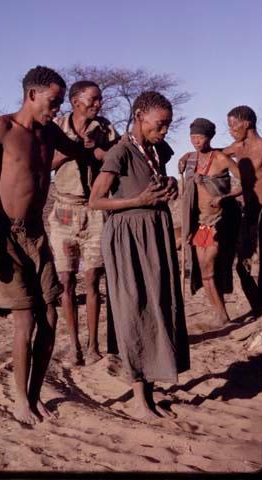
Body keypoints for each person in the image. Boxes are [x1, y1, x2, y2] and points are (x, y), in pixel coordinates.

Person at [0, 65, 101, 425]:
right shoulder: (3, 128)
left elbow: (80, 149)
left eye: (59, 104)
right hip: (4, 234)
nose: (56, 110)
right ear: (32, 95)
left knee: (50, 317)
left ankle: (36, 394)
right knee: (25, 321)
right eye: (53, 102)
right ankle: (20, 400)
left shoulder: (49, 132)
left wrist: (94, 141)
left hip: (37, 234)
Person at [89, 91, 189, 420]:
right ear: (139, 117)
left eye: (167, 126)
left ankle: (149, 391)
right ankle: (137, 398)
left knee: (158, 305)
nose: (163, 131)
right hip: (128, 238)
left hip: (155, 235)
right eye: (159, 125)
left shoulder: (157, 150)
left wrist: (170, 182)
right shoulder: (120, 152)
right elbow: (96, 201)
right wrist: (138, 202)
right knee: (135, 307)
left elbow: (159, 177)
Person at [48, 80, 119, 366]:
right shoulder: (55, 127)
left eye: (100, 99)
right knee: (65, 280)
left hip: (94, 210)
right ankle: (74, 346)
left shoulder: (105, 128)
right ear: (76, 101)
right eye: (93, 99)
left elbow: (115, 160)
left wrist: (95, 149)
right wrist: (72, 149)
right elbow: (44, 163)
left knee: (92, 279)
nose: (98, 104)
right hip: (64, 210)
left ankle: (93, 347)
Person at [178, 118, 242, 327]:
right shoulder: (190, 160)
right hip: (199, 224)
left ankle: (224, 314)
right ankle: (221, 314)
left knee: (210, 266)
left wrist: (225, 198)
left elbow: (246, 182)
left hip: (219, 221)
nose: (196, 141)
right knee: (205, 273)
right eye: (192, 137)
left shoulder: (222, 158)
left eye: (200, 137)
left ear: (210, 137)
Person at [223, 105, 262, 316]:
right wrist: (190, 155)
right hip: (247, 216)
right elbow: (214, 155)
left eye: (233, 125)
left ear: (247, 123)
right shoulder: (237, 148)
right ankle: (258, 310)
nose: (230, 130)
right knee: (242, 267)